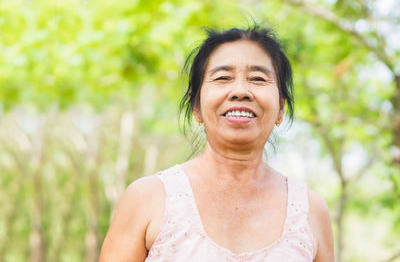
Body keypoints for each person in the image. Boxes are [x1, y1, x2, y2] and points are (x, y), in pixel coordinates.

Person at [99, 25, 334, 262]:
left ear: (281, 108)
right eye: (223, 78)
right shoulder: (147, 198)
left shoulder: (311, 211)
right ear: (196, 107)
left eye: (258, 78)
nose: (240, 91)